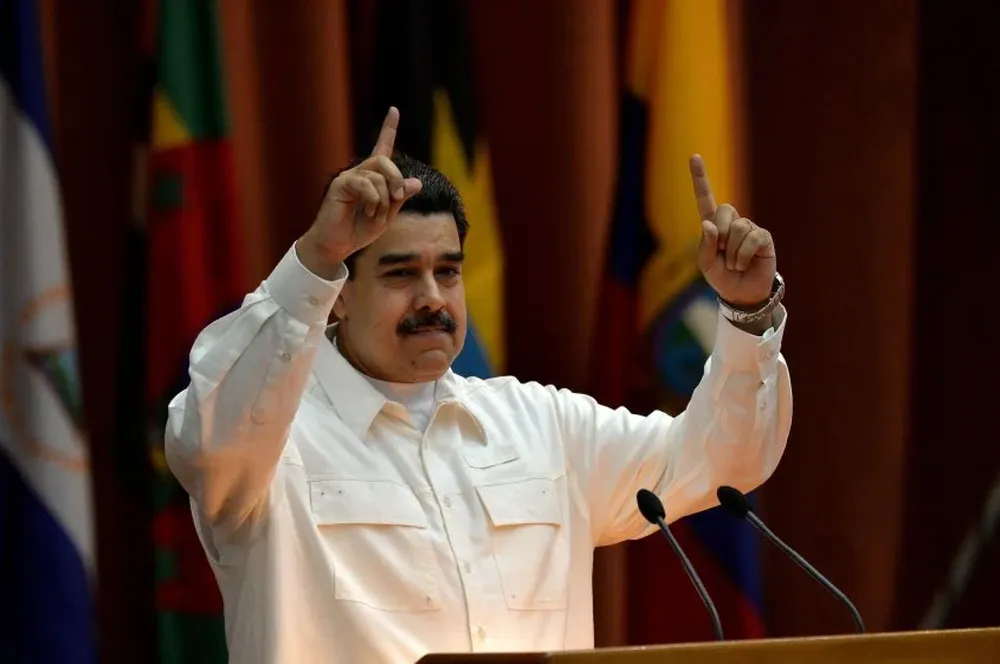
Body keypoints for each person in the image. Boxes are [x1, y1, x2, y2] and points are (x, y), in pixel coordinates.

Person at [165, 107, 792, 664]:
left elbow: (721, 462)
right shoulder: (271, 442)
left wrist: (747, 313)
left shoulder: (541, 426)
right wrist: (315, 257)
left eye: (448, 272)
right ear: (339, 296)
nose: (432, 298)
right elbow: (207, 439)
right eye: (401, 274)